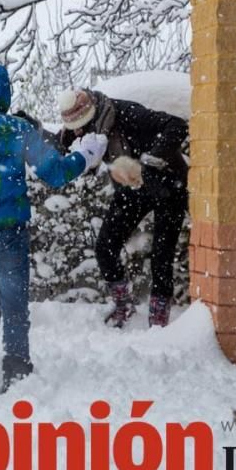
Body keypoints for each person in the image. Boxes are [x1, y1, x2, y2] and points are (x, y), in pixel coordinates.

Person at [0, 64, 107, 392]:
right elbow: (53, 172)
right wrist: (84, 155)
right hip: (10, 230)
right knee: (13, 299)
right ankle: (16, 364)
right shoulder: (17, 129)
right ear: (4, 92)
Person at [56, 88, 188, 329]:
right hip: (132, 190)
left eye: (82, 124)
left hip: (168, 183)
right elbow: (61, 145)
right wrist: (34, 129)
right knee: (105, 246)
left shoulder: (128, 113)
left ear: (93, 112)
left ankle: (159, 321)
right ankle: (122, 305)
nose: (78, 131)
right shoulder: (79, 129)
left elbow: (177, 125)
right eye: (73, 126)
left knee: (162, 255)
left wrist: (148, 162)